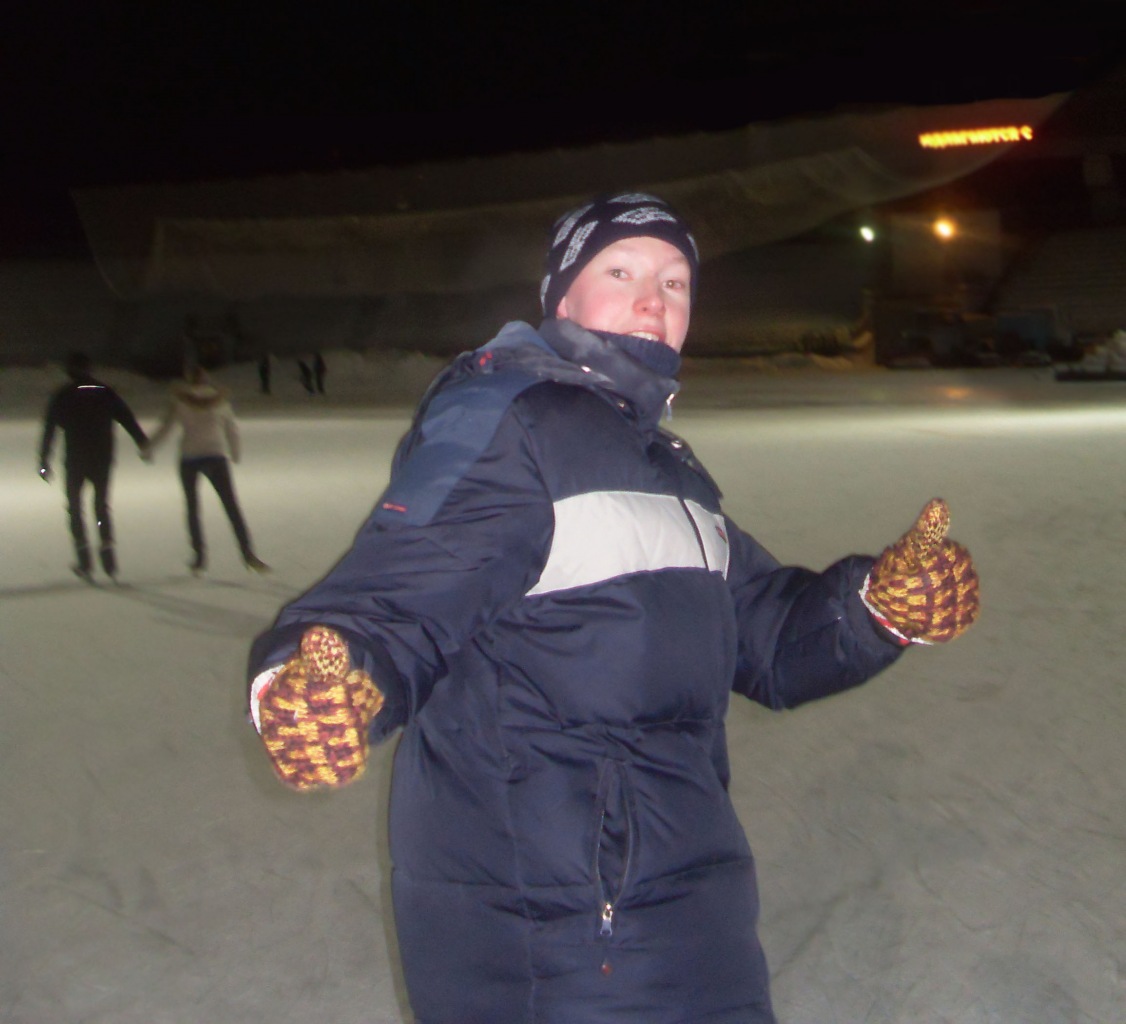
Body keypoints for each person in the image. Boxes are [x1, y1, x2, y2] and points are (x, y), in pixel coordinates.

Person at [246, 193, 979, 1024]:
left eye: (675, 282)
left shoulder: (663, 466)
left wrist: (877, 605)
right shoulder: (513, 420)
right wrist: (308, 682)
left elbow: (767, 636)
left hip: (693, 917)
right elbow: (400, 586)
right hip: (559, 934)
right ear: (561, 299)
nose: (653, 300)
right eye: (621, 272)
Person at [145, 364, 269, 574]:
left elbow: (165, 427)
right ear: (206, 379)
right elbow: (232, 429)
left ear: (189, 379)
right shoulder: (221, 402)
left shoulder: (180, 401)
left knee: (192, 507)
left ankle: (199, 557)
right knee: (231, 505)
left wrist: (148, 448)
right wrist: (235, 452)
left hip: (189, 458)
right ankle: (248, 553)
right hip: (215, 456)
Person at [38, 351, 148, 581]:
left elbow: (50, 429)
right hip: (102, 458)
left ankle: (84, 556)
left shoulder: (64, 395)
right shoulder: (104, 392)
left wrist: (44, 461)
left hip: (76, 459)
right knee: (100, 506)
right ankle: (107, 554)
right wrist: (142, 442)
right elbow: (126, 417)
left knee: (75, 507)